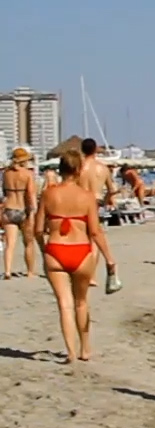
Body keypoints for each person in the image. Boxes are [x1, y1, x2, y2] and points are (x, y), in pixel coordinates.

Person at [36, 146, 113, 363]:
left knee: (64, 304)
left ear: (60, 169)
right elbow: (95, 232)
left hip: (56, 250)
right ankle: (85, 348)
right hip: (81, 251)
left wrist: (44, 249)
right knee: (81, 302)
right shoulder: (87, 197)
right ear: (79, 170)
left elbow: (38, 229)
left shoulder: (49, 194)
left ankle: (70, 352)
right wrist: (109, 258)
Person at [3, 147, 37, 279]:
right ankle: (30, 271)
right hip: (23, 210)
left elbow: (4, 193)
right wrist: (33, 211)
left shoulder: (6, 173)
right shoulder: (28, 174)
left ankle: (7, 271)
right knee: (28, 243)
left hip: (9, 209)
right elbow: (31, 194)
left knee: (10, 244)